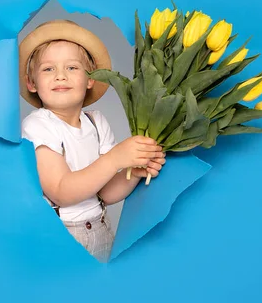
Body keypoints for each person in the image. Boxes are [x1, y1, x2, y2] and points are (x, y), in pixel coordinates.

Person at [19, 19, 166, 263]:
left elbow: (106, 193)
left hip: (100, 227)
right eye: (48, 69)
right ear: (32, 83)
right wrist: (116, 157)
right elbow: (61, 191)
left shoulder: (96, 122)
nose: (60, 76)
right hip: (63, 233)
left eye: (72, 68)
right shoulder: (38, 125)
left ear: (90, 80)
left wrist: (135, 171)